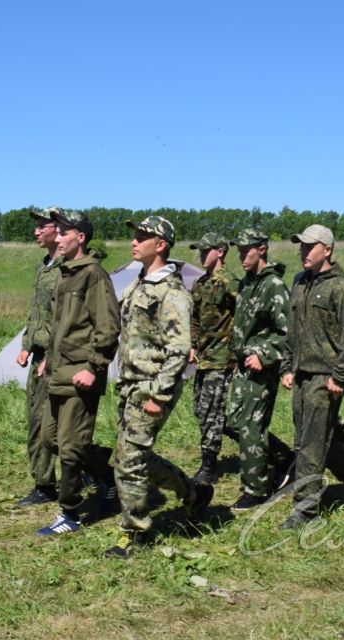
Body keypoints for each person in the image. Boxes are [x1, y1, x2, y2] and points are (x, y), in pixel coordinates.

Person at [105, 216, 213, 559]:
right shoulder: (138, 285)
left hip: (152, 386)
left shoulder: (172, 292)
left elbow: (179, 350)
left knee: (130, 459)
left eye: (142, 236)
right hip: (130, 384)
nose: (134, 241)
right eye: (134, 235)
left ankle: (132, 532)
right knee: (134, 456)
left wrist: (160, 395)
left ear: (161, 244)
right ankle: (193, 492)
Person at [35, 210, 120, 535]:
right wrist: (48, 360)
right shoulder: (66, 273)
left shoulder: (93, 275)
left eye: (63, 233)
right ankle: (108, 475)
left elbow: (108, 327)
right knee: (51, 438)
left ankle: (69, 514)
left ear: (80, 237)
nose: (56, 238)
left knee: (70, 447)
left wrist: (94, 367)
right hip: (59, 373)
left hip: (80, 377)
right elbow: (65, 327)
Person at [280, 224, 344, 529]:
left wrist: (340, 377)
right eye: (301, 246)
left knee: (308, 445)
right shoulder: (300, 282)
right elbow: (292, 330)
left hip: (325, 378)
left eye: (309, 246)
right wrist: (287, 367)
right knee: (318, 441)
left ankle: (305, 511)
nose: (302, 251)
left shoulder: (340, 287)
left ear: (327, 249)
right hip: (301, 377)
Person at [227, 228, 295, 511]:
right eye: (239, 250)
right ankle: (284, 458)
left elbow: (287, 331)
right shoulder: (247, 283)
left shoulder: (274, 285)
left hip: (262, 368)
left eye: (247, 250)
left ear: (262, 249)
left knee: (251, 426)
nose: (242, 255)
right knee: (232, 422)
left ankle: (256, 489)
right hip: (243, 366)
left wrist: (264, 355)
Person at [16, 207, 61, 506]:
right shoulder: (43, 266)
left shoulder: (67, 268)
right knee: (35, 420)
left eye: (42, 226)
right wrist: (26, 345)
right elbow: (37, 313)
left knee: (52, 427)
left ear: (57, 229)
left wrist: (51, 357)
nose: (36, 231)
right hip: (38, 355)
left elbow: (64, 318)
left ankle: (99, 471)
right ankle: (44, 482)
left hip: (57, 358)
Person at [188, 233, 239, 485]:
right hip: (203, 358)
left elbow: (245, 316)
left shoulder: (230, 282)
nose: (200, 254)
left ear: (219, 251)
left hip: (222, 359)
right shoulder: (200, 283)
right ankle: (261, 443)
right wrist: (192, 344)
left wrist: (238, 353)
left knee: (211, 412)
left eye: (205, 250)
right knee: (201, 409)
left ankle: (209, 465)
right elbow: (195, 319)